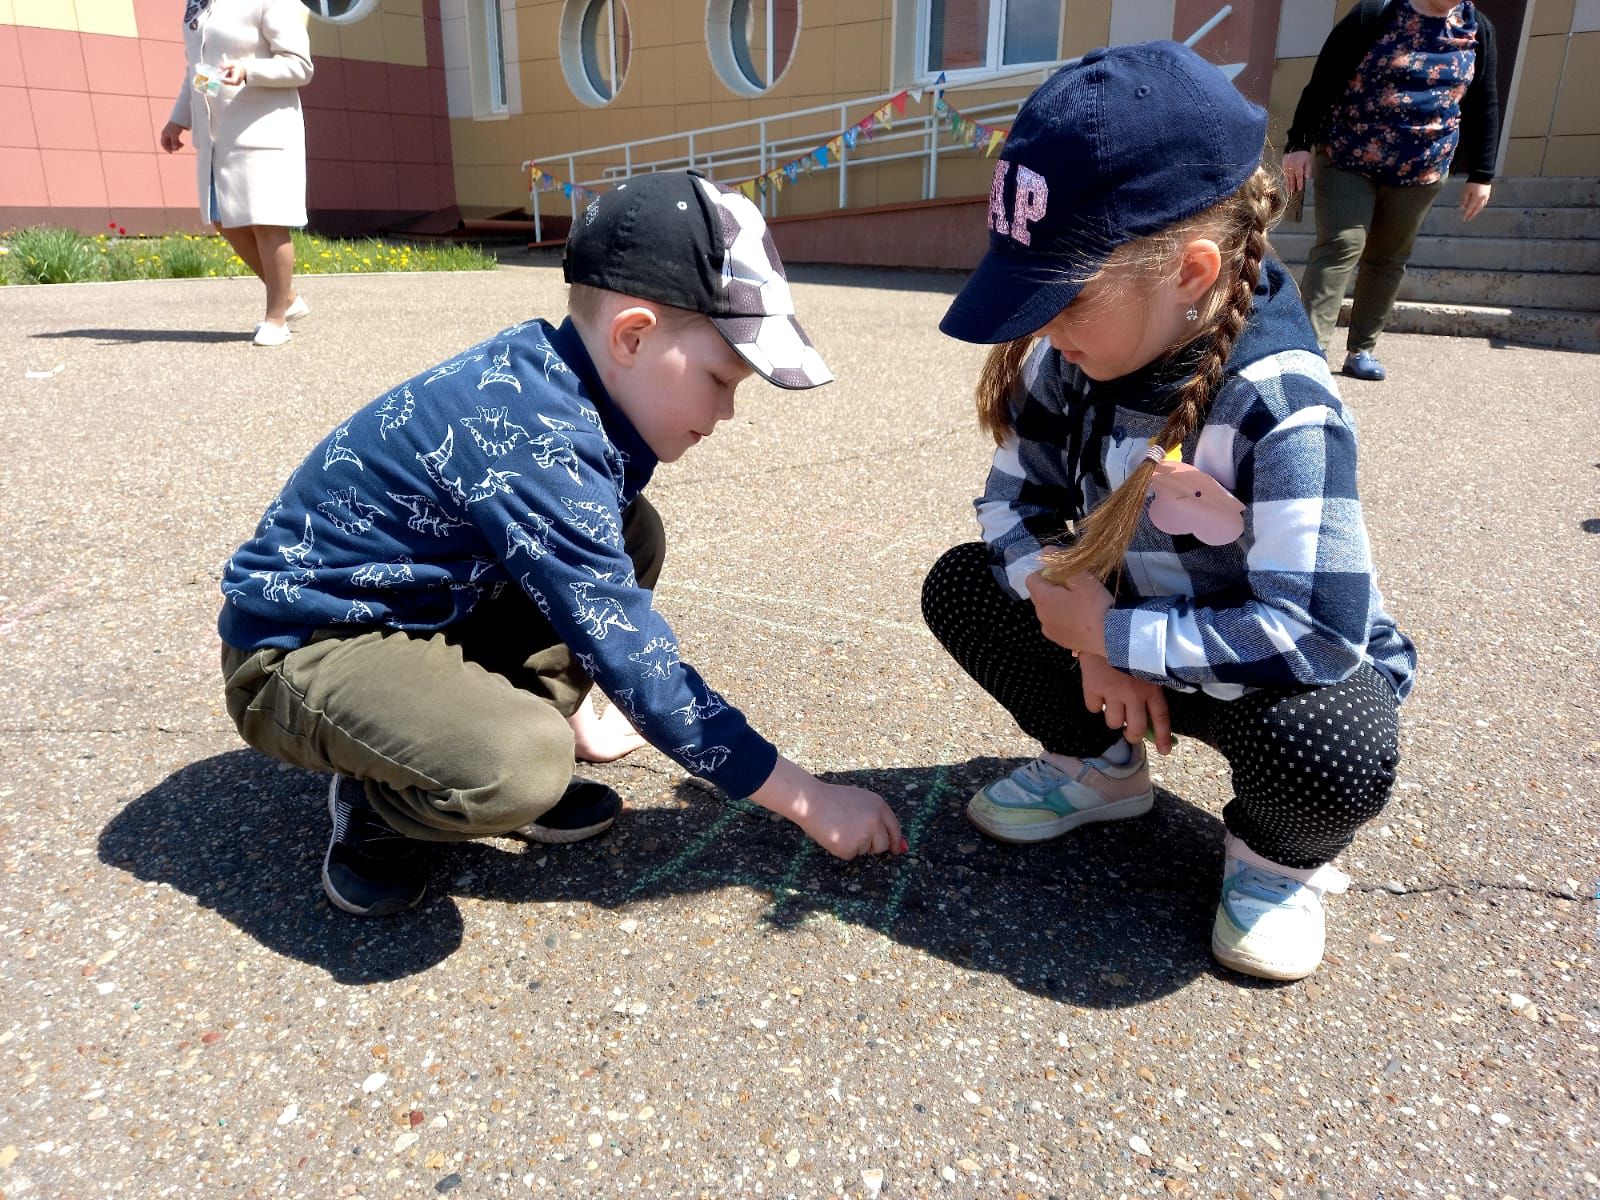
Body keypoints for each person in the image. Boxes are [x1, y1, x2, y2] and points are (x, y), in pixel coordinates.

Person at [218, 171, 906, 916]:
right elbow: (639, 661)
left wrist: (568, 707)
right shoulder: (534, 442)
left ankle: (504, 725)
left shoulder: (552, 382)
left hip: (409, 613)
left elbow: (571, 574)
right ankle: (381, 804)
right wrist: (808, 800)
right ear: (633, 336)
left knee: (630, 530)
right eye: (721, 378)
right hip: (299, 650)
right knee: (517, 767)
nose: (729, 410)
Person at [921, 42, 1417, 982]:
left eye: (1065, 300)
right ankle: (1099, 766)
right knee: (961, 586)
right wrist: (1090, 641)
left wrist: (1120, 634)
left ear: (1191, 271)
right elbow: (1008, 503)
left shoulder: (1279, 399)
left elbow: (1313, 633)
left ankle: (1275, 862)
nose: (1044, 326)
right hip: (1118, 646)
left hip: (1262, 674)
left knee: (1338, 744)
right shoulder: (1073, 357)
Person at [1282, 0, 1499, 382]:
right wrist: (1299, 142)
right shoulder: (1375, 13)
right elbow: (1324, 79)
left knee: (1388, 257)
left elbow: (1484, 103)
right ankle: (1308, 348)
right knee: (1341, 244)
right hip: (1348, 155)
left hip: (1422, 167)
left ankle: (1362, 348)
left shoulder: (1476, 29)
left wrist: (1482, 174)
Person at [161, 0, 314, 348]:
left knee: (267, 222)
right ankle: (287, 297)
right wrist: (178, 119)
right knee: (225, 220)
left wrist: (249, 70)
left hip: (263, 129)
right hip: (218, 135)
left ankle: (276, 319)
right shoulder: (197, 6)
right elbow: (196, 70)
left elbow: (301, 66)